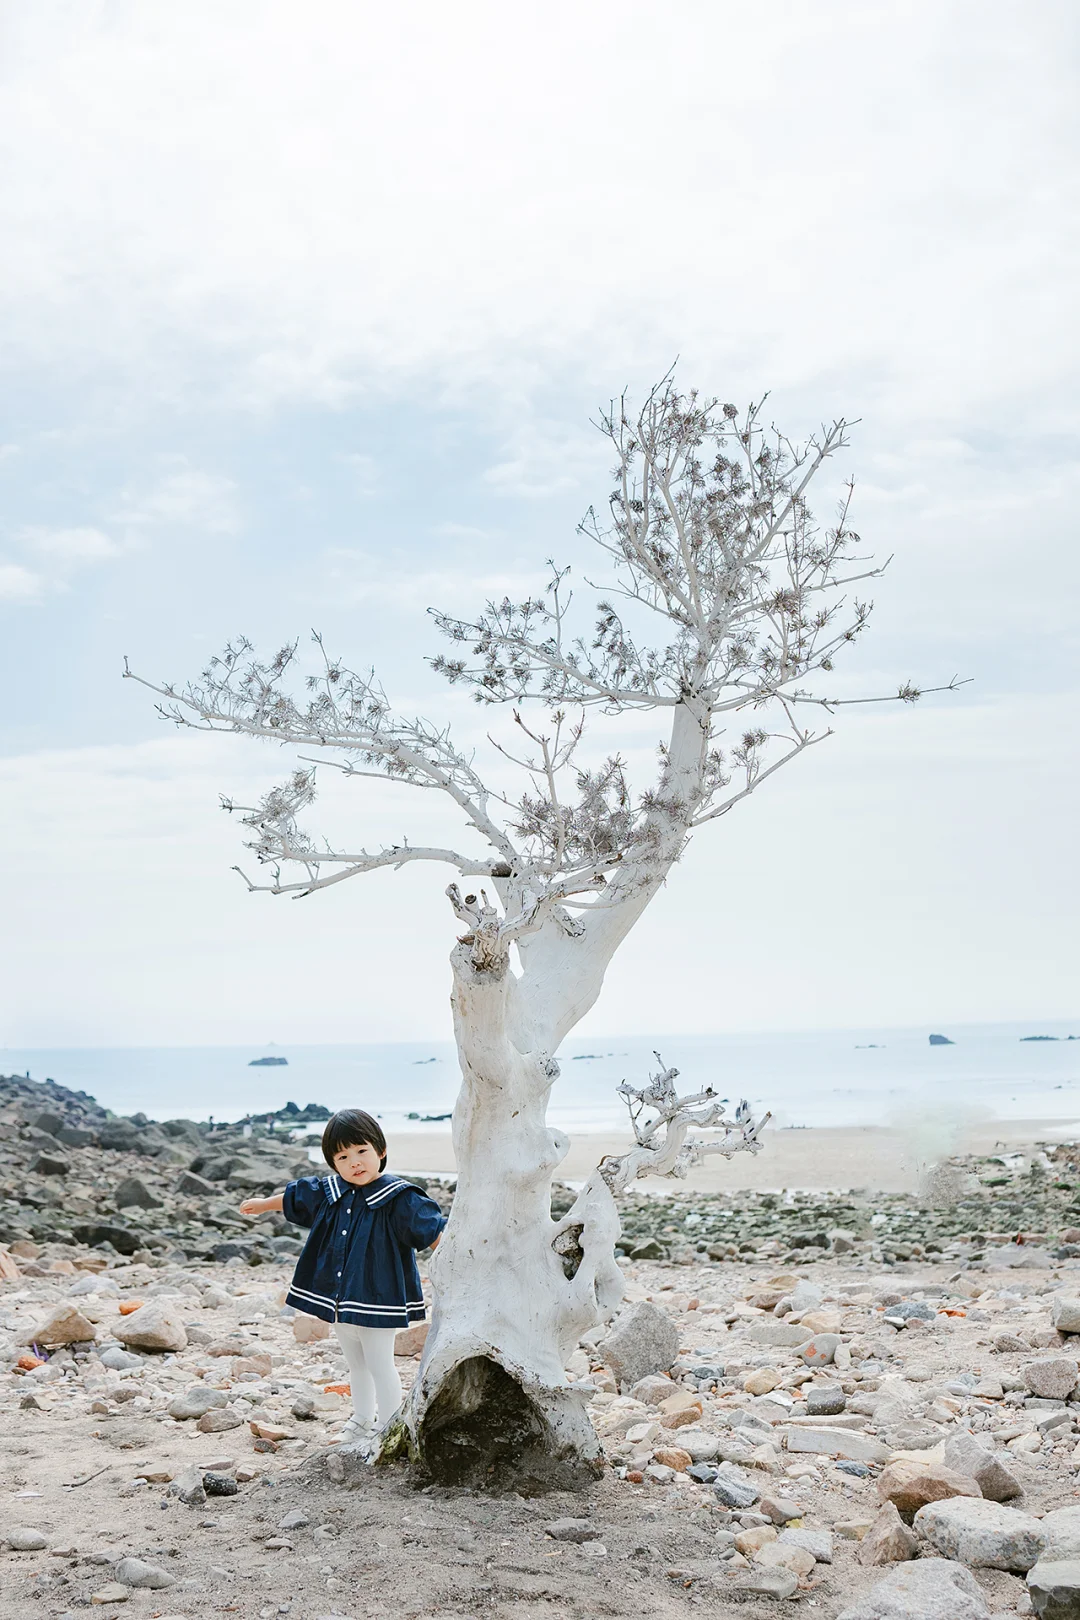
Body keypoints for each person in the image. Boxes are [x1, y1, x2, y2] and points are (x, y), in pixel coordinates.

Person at [238, 1107, 446, 1449]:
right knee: (356, 1364)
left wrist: (462, 1252)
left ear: (380, 1151)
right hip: (339, 1297)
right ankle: (362, 1419)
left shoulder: (399, 1197)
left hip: (379, 1297)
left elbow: (433, 1231)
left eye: (362, 1151)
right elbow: (295, 1197)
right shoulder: (329, 1191)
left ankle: (390, 1425)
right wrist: (262, 1205)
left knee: (381, 1364)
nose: (355, 1162)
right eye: (343, 1156)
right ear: (334, 1163)